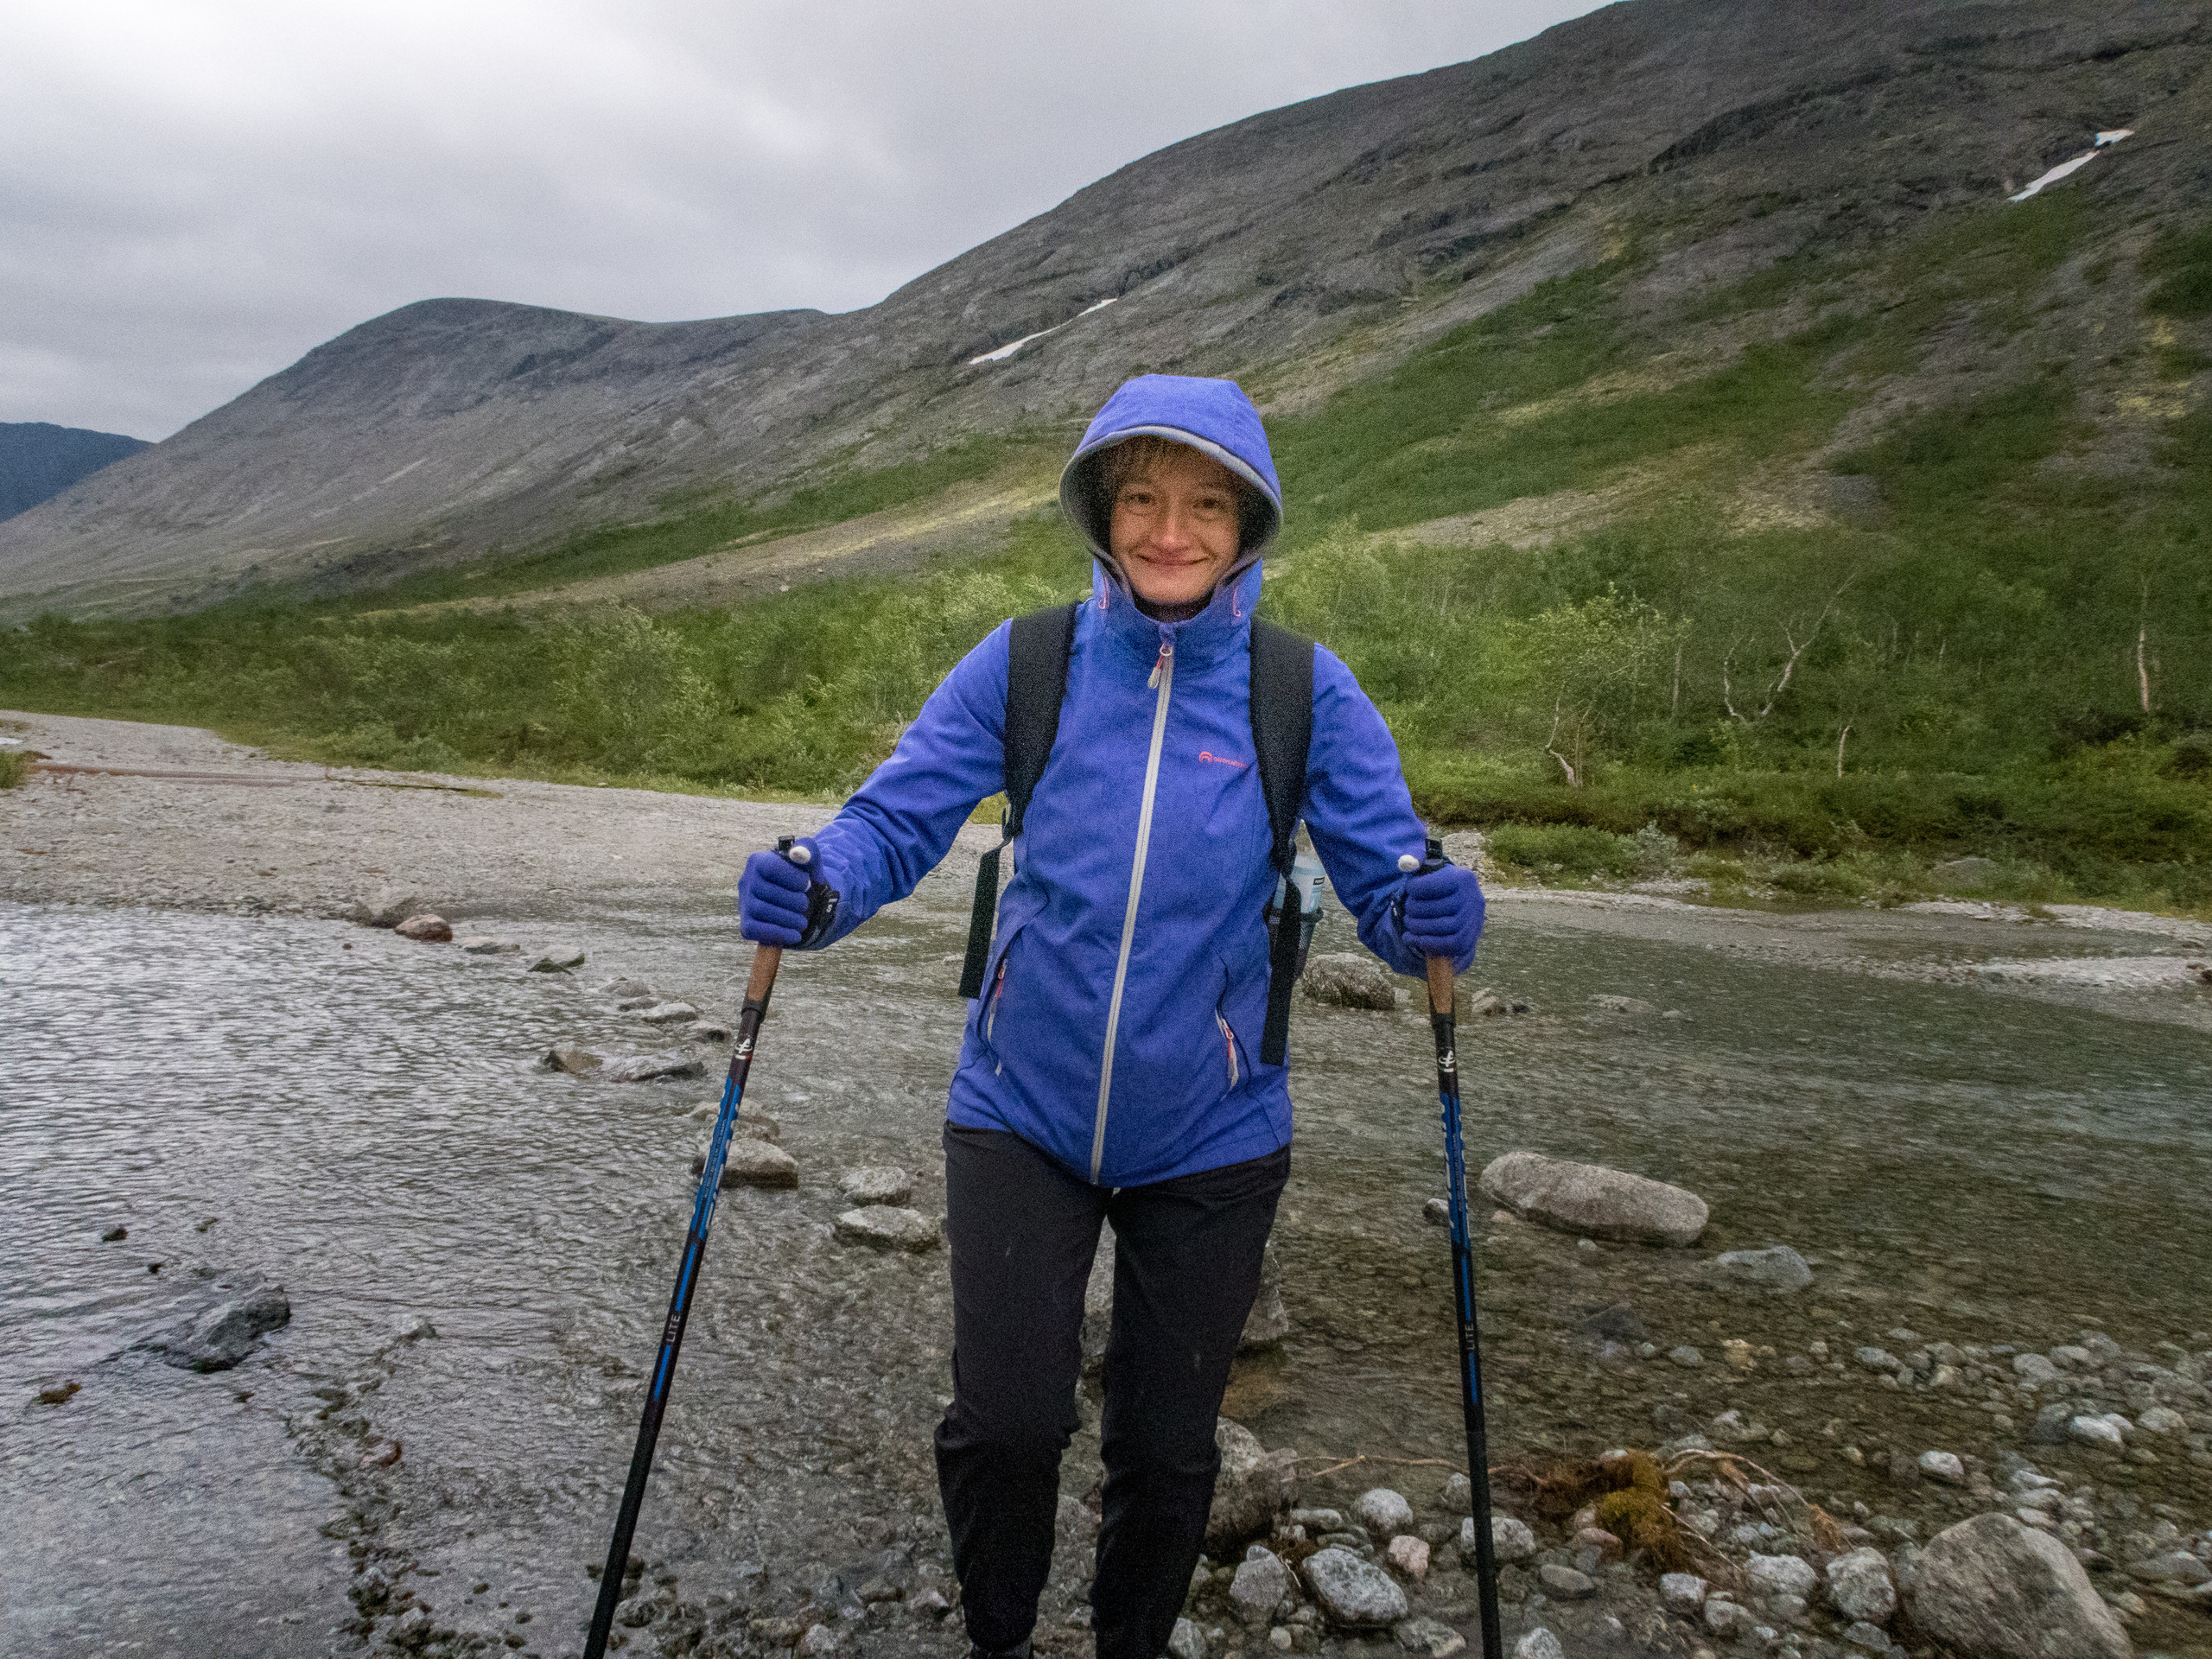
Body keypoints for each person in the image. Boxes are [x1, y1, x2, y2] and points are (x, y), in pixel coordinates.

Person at [737, 374, 1483, 1659]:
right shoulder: (1027, 664)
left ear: (1247, 523)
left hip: (1215, 1131)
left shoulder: (1304, 692)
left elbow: (1382, 866)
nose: (1170, 530)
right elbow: (894, 821)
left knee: (1166, 1440)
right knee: (1009, 1422)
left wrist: (1425, 903)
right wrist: (817, 886)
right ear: (1103, 510)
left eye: (1204, 503)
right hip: (1019, 1111)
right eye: (1141, 497)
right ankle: (999, 1638)